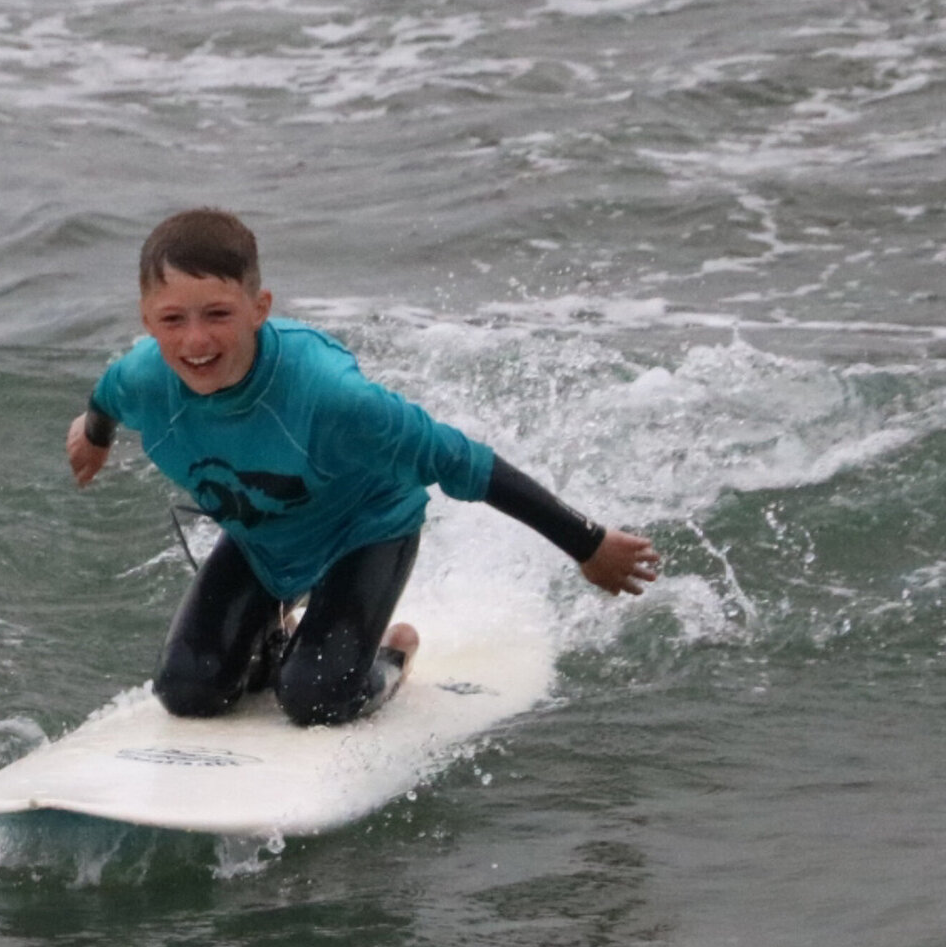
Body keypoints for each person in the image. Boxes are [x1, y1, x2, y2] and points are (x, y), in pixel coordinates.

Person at [67, 208, 659, 729]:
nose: (196, 340)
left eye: (218, 313)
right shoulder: (141, 378)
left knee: (316, 700)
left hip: (364, 533)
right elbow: (105, 402)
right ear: (147, 320)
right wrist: (93, 440)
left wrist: (588, 544)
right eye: (173, 320)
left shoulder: (331, 398)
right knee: (189, 692)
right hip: (262, 538)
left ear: (259, 309)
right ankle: (277, 641)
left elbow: (462, 461)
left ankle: (391, 655)